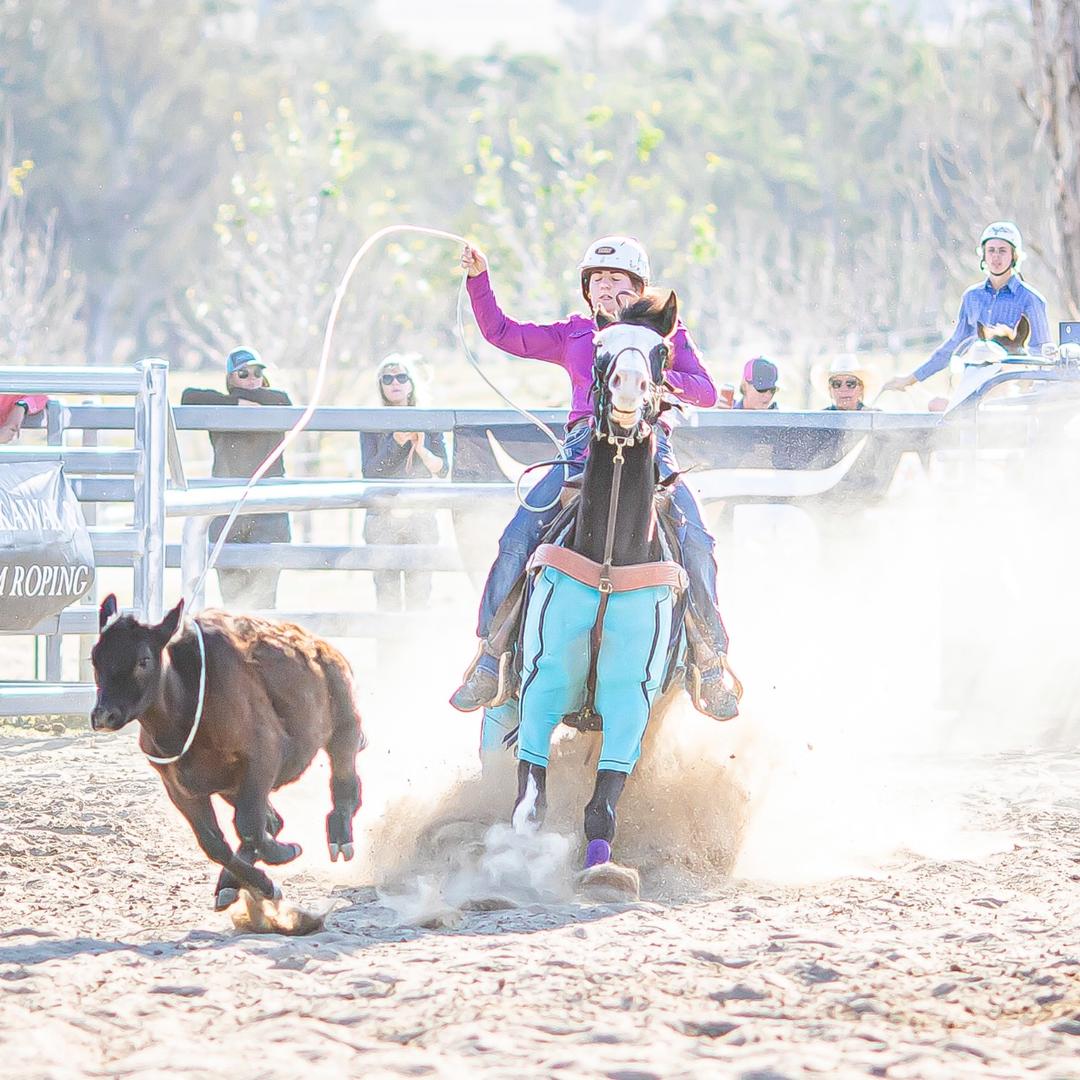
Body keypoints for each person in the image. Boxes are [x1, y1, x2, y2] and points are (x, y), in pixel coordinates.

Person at [449, 235, 737, 722]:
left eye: (616, 279)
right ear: (587, 289)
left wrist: (659, 379)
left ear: (637, 287)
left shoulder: (668, 338)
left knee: (697, 540)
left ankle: (709, 659)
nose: (605, 287)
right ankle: (491, 654)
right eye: (597, 280)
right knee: (518, 536)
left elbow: (706, 390)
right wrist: (480, 279)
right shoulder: (576, 334)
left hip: (651, 447)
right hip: (583, 448)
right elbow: (502, 332)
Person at [180, 347, 292, 610]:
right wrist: (237, 404)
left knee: (265, 603)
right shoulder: (220, 408)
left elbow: (284, 401)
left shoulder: (274, 403)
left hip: (267, 512)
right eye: (243, 373)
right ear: (230, 379)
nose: (251, 378)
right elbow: (189, 397)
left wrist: (245, 402)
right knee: (233, 602)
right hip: (229, 513)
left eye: (257, 372)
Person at [883, 221, 1051, 394]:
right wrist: (911, 379)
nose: (996, 257)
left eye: (1002, 251)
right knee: (936, 406)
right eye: (991, 250)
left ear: (1014, 256)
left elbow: (1042, 352)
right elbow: (954, 345)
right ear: (983, 255)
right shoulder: (971, 297)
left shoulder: (1032, 299)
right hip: (973, 386)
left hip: (1012, 388)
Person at [360, 354, 448, 612]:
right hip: (382, 517)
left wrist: (421, 449)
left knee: (419, 597)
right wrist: (395, 443)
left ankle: (416, 649)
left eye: (401, 377)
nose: (394, 383)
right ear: (381, 385)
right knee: (387, 600)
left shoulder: (429, 419)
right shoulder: (371, 423)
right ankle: (388, 652)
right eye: (387, 378)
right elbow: (370, 472)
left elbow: (442, 469)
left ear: (411, 383)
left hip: (421, 517)